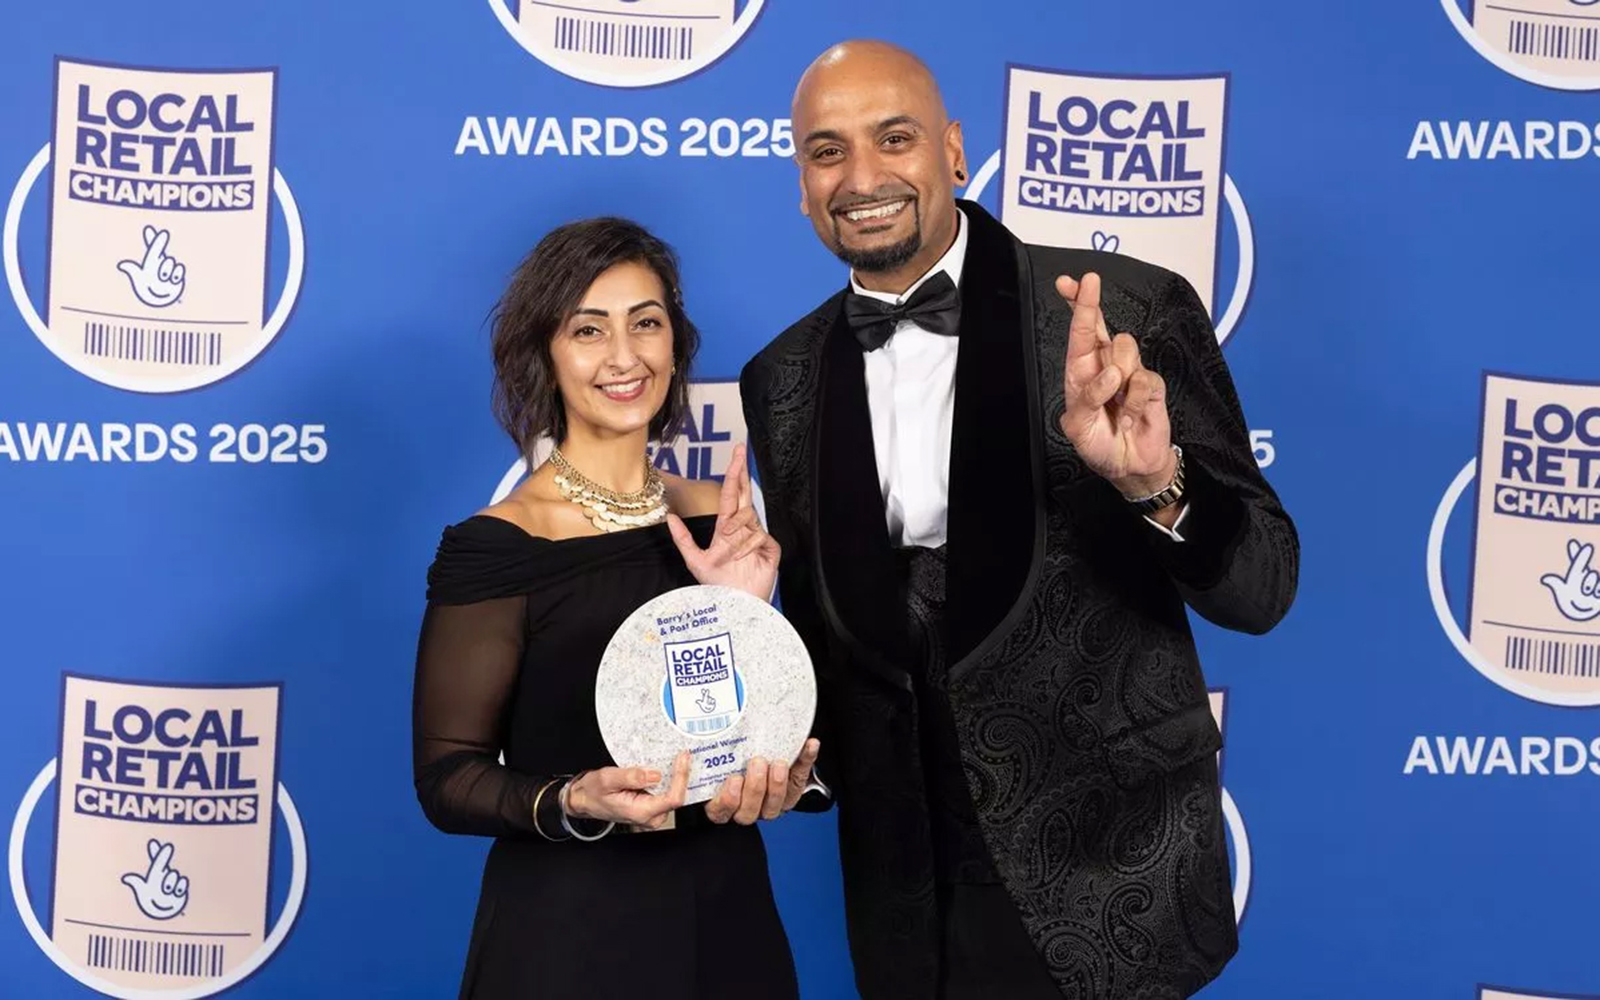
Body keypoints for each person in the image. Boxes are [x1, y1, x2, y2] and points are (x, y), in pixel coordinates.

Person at [740, 41, 1300, 1000]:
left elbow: (1263, 587)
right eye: (827, 151)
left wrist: (1155, 484)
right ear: (801, 184)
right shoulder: (780, 379)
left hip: (1110, 874)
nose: (862, 178)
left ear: (955, 152)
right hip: (908, 901)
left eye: (895, 138)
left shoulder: (1125, 311)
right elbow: (838, 647)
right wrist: (795, 756)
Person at [413, 217, 820, 1000]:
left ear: (676, 343)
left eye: (646, 323)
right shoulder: (498, 545)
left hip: (727, 918)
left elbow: (758, 730)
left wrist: (742, 616)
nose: (625, 356)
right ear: (544, 354)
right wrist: (573, 799)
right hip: (567, 935)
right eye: (588, 330)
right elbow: (447, 777)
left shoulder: (728, 522)